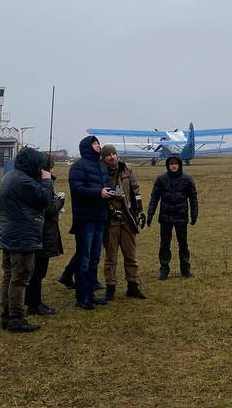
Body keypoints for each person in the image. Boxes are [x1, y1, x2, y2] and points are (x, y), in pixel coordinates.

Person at [0, 146, 56, 333]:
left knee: (9, 276)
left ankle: (6, 314)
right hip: (23, 237)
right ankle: (16, 319)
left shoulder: (10, 177)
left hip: (8, 234)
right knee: (20, 279)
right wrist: (47, 181)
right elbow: (46, 199)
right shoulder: (24, 182)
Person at [67, 135, 122, 309]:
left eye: (98, 143)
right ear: (87, 147)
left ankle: (90, 294)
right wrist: (98, 192)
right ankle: (81, 297)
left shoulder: (100, 166)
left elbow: (105, 184)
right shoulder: (78, 167)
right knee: (84, 258)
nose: (98, 146)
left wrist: (112, 192)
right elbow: (77, 188)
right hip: (85, 219)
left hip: (100, 216)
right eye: (95, 144)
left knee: (95, 258)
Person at [99, 144, 147, 301]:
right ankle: (110, 288)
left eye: (114, 154)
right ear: (103, 157)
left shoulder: (127, 170)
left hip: (127, 220)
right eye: (108, 155)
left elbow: (136, 192)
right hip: (110, 222)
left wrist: (140, 212)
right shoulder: (99, 173)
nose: (112, 157)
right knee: (110, 257)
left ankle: (132, 286)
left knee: (131, 255)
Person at [23, 153, 65, 317]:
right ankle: (34, 303)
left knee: (38, 270)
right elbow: (46, 208)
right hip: (41, 231)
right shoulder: (41, 182)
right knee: (38, 270)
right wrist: (59, 203)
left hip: (40, 230)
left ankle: (33, 301)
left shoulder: (32, 180)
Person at [146, 153, 198, 280]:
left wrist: (194, 214)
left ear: (179, 165)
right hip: (165, 218)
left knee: (183, 244)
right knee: (164, 244)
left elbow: (193, 198)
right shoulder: (161, 179)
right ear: (168, 165)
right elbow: (154, 198)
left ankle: (185, 270)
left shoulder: (188, 179)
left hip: (181, 217)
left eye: (175, 163)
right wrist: (150, 214)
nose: (173, 166)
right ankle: (164, 269)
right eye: (171, 164)